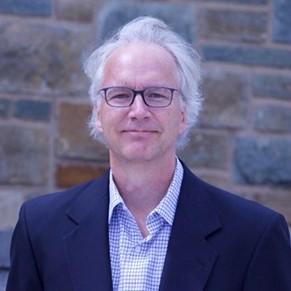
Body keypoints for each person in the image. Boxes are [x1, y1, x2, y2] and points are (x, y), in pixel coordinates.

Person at [6, 17, 291, 291]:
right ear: (97, 114)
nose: (138, 111)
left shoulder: (254, 236)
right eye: (120, 95)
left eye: (156, 95)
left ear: (183, 114)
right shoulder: (41, 228)